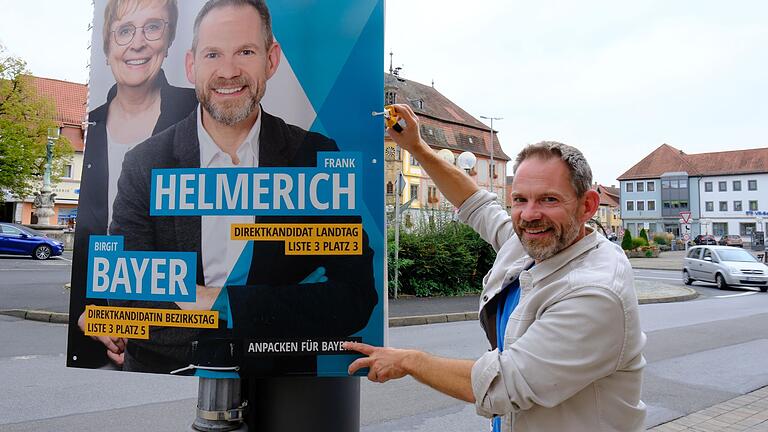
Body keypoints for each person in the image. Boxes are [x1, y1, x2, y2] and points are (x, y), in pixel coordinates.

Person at [105, 0, 377, 374]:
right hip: (164, 379)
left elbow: (352, 299)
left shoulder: (314, 158)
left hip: (281, 385)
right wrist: (281, 307)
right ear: (191, 65)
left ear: (271, 59)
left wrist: (219, 302)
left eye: (245, 52)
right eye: (213, 54)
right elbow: (126, 298)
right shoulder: (144, 163)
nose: (228, 71)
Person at [345, 104, 646, 432]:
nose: (529, 214)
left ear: (588, 206)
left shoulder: (596, 292)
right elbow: (476, 203)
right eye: (520, 199)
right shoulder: (534, 242)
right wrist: (417, 147)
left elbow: (502, 384)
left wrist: (408, 361)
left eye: (549, 200)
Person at [68, 0, 197, 369]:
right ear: (107, 45)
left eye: (152, 27)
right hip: (105, 333)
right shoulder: (91, 126)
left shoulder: (199, 112)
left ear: (169, 38)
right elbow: (89, 239)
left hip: (182, 335)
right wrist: (89, 314)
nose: (137, 43)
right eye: (124, 30)